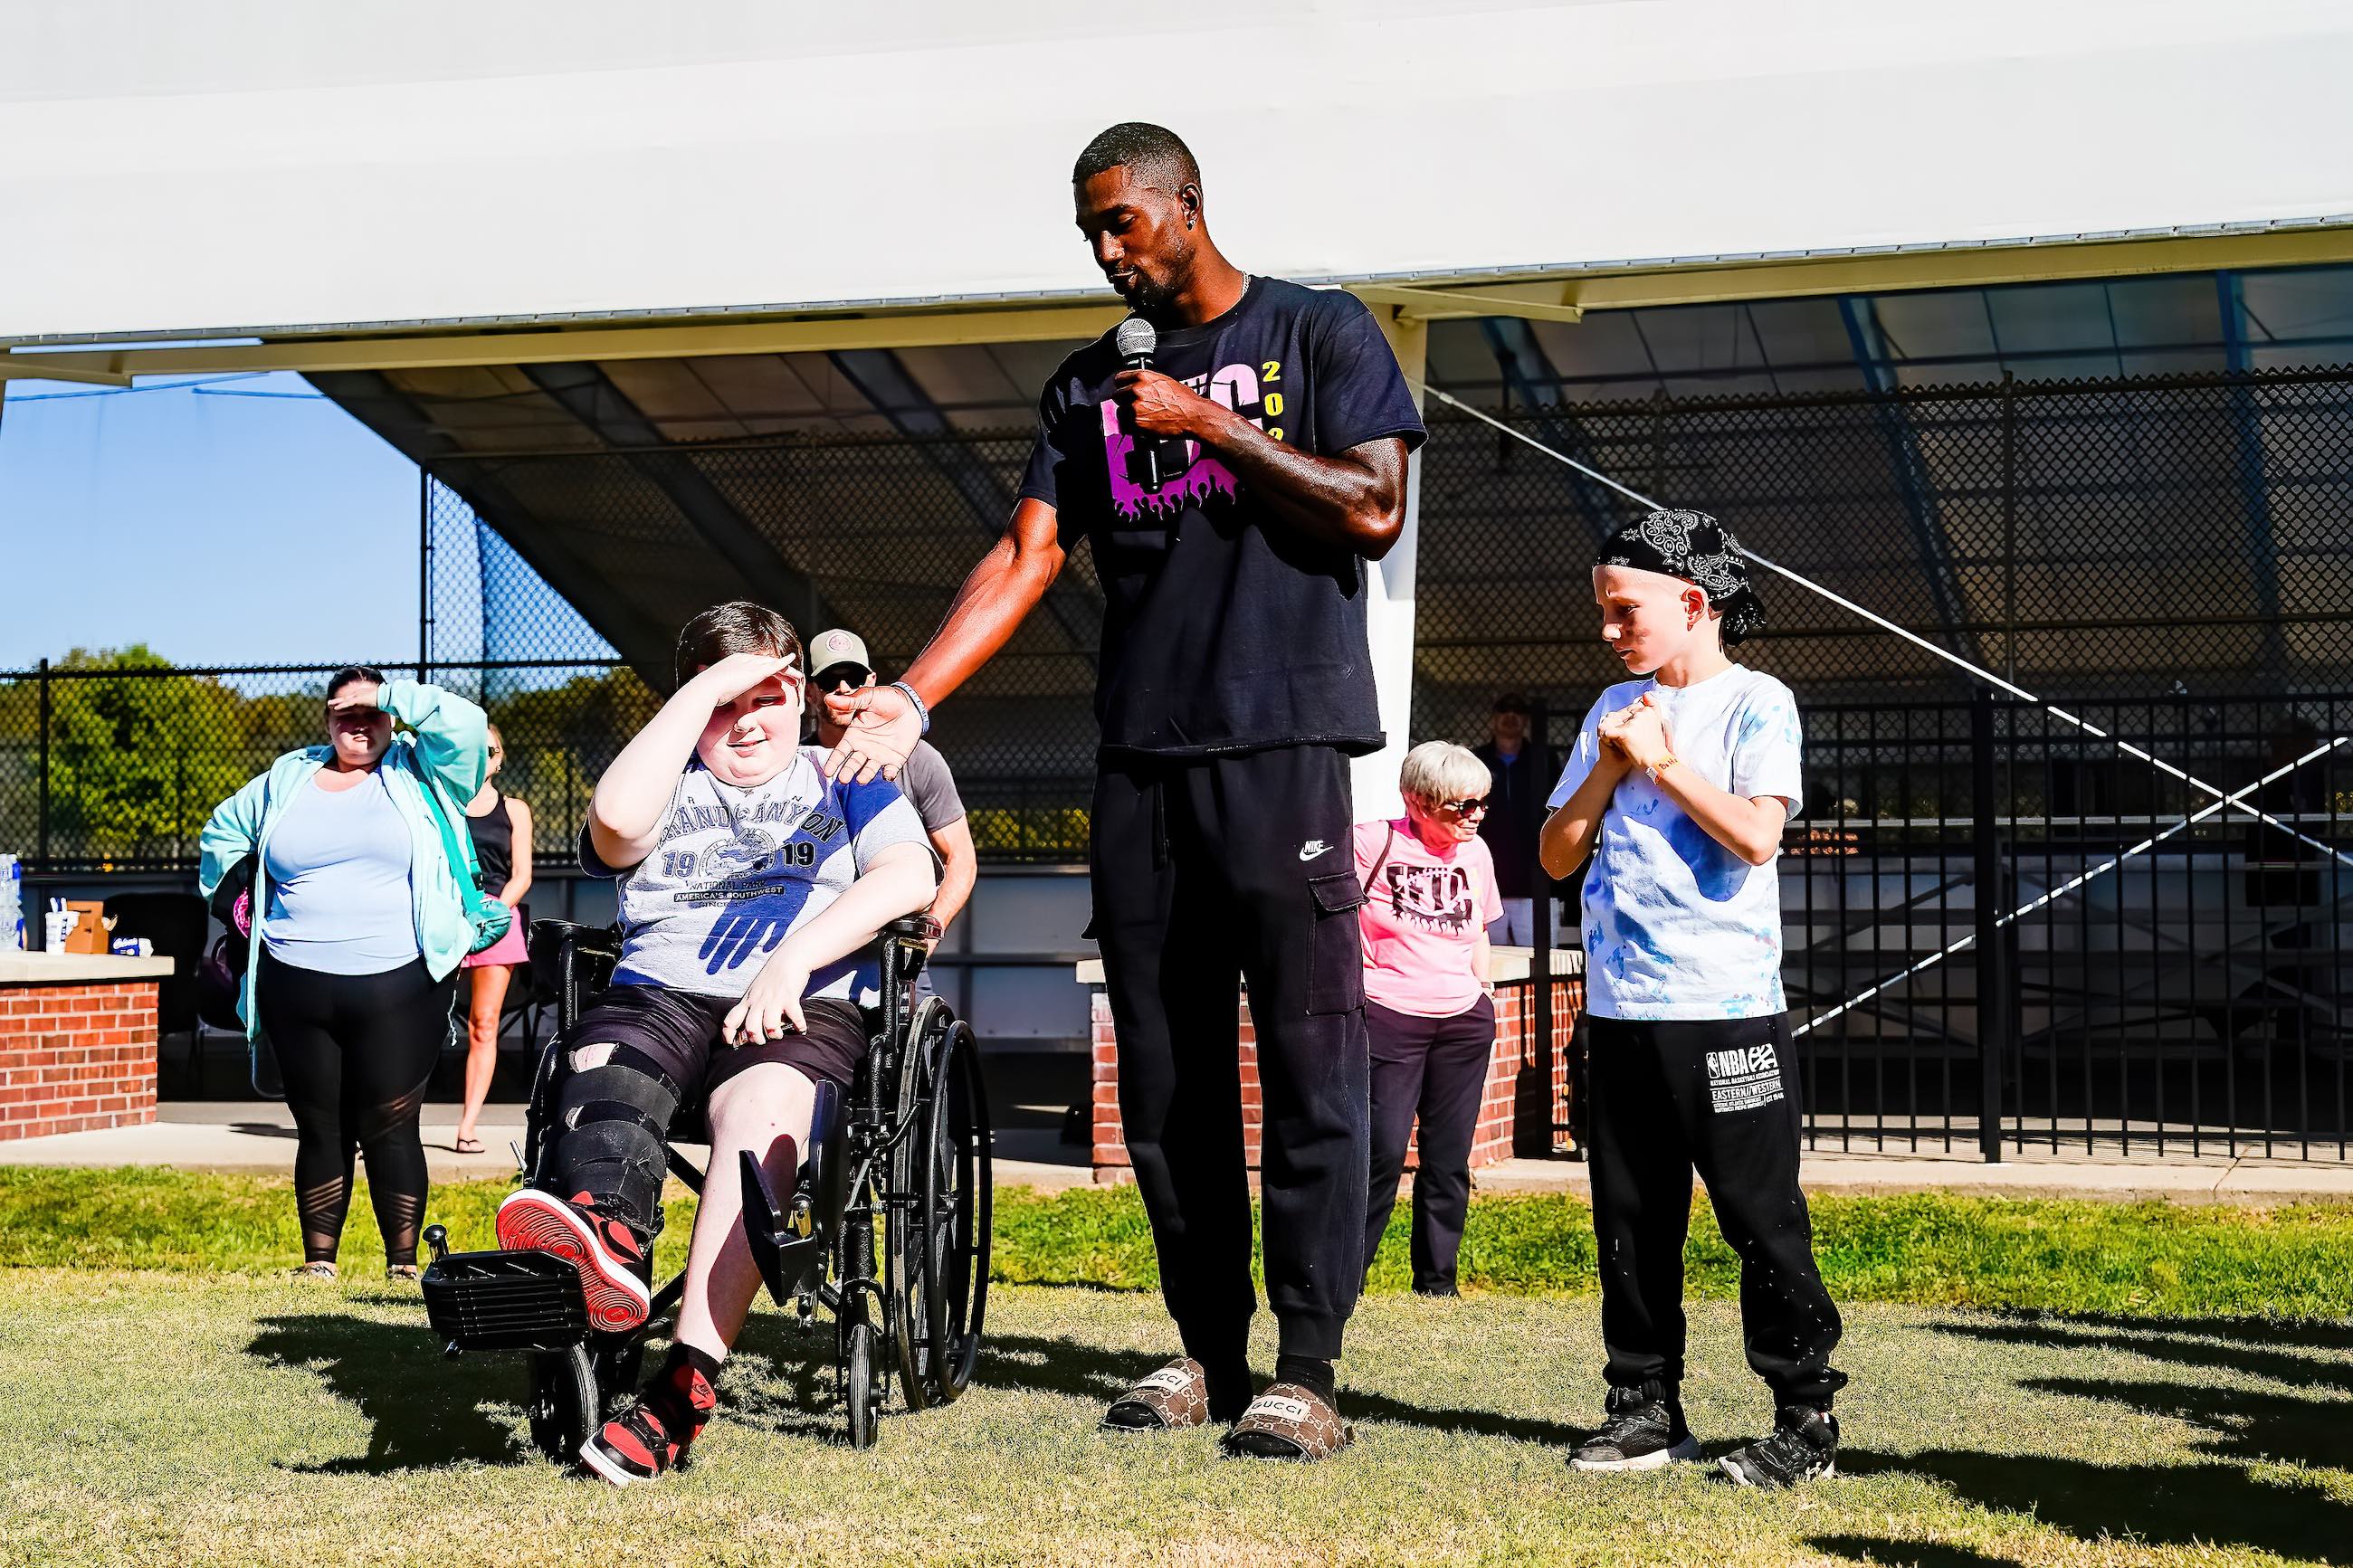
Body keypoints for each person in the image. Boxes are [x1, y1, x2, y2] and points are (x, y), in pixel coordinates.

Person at [822, 122, 1424, 1459]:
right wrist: (913, 694)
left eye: (1121, 224)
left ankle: (1309, 1366)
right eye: (1090, 232)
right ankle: (1209, 1354)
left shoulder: (1321, 336)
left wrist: (1210, 422)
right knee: (1166, 1082)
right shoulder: (1087, 389)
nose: (1105, 252)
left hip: (1284, 750)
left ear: (1184, 205)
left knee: (1313, 1062)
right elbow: (1028, 553)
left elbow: (1374, 510)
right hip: (1142, 766)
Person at [493, 602, 938, 1486]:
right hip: (658, 992)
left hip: (798, 1006)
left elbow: (910, 873)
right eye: (723, 700)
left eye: (767, 695)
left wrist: (793, 958)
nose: (746, 719)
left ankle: (682, 1387)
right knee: (598, 1056)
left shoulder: (842, 772)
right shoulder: (665, 780)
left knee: (761, 1109)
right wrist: (709, 690)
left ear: (799, 696)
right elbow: (615, 820)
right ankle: (609, 1241)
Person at [1538, 508, 1844, 1487]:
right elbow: (1553, 852)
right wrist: (1607, 763)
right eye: (1602, 611)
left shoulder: (1759, 701)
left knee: (1758, 1214)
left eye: (1622, 609)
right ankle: (1643, 1405)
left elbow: (1756, 838)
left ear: (1691, 601)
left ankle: (1804, 1417)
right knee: (1628, 1214)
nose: (1608, 630)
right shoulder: (1606, 709)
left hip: (1725, 1010)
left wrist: (1662, 763)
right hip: (1619, 1011)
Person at [197, 666, 490, 1281]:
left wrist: (390, 696)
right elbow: (221, 830)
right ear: (326, 719)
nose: (358, 722)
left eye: (371, 710)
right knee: (320, 1124)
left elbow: (465, 724)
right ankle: (318, 1262)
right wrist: (234, 903)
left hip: (401, 983)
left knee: (389, 1122)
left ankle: (403, 1264)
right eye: (343, 711)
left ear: (392, 714)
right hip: (294, 982)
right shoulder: (288, 774)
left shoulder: (424, 769)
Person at [1356, 741, 1500, 1298]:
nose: (1476, 815)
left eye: (1482, 803)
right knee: (1381, 1152)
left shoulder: (1478, 852)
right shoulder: (1372, 842)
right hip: (1389, 1014)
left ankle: (1437, 1283)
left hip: (1462, 1021)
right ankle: (1348, 1277)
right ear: (1416, 801)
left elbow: (1480, 929)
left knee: (1448, 1159)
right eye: (1461, 806)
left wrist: (1482, 991)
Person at [805, 628, 976, 970]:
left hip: (891, 956)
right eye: (829, 681)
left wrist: (927, 935)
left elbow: (961, 858)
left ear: (871, 681)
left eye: (853, 679)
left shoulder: (919, 759)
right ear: (810, 691)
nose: (844, 690)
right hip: (808, 947)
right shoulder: (795, 764)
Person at [452, 723, 534, 1155]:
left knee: (483, 1025)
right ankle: (383, 1125)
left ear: (499, 760)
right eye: (473, 748)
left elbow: (521, 874)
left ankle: (467, 1126)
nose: (482, 756)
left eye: (490, 750)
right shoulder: (441, 803)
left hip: (496, 918)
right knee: (413, 1022)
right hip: (443, 918)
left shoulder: (515, 809)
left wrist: (493, 912)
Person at [1472, 693, 1564, 946]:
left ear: (1525, 720)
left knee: (1541, 964)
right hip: (1487, 881)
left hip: (1536, 881)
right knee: (1489, 964)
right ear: (1493, 718)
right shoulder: (1477, 760)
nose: (1510, 717)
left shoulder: (1544, 758)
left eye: (1517, 712)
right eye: (1503, 711)